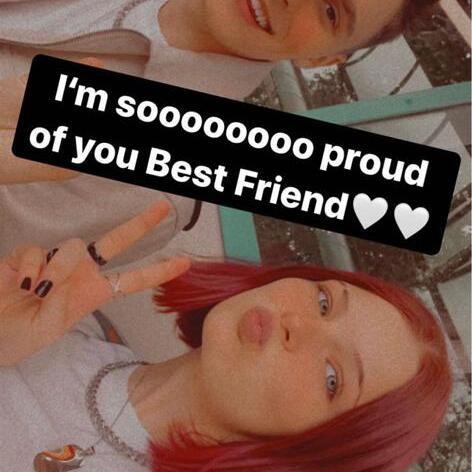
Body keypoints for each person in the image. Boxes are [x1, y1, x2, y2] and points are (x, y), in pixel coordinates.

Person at [0, 202, 452, 471]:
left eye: (333, 378)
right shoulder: (72, 326)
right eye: (323, 302)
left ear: (316, 452)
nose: (300, 325)